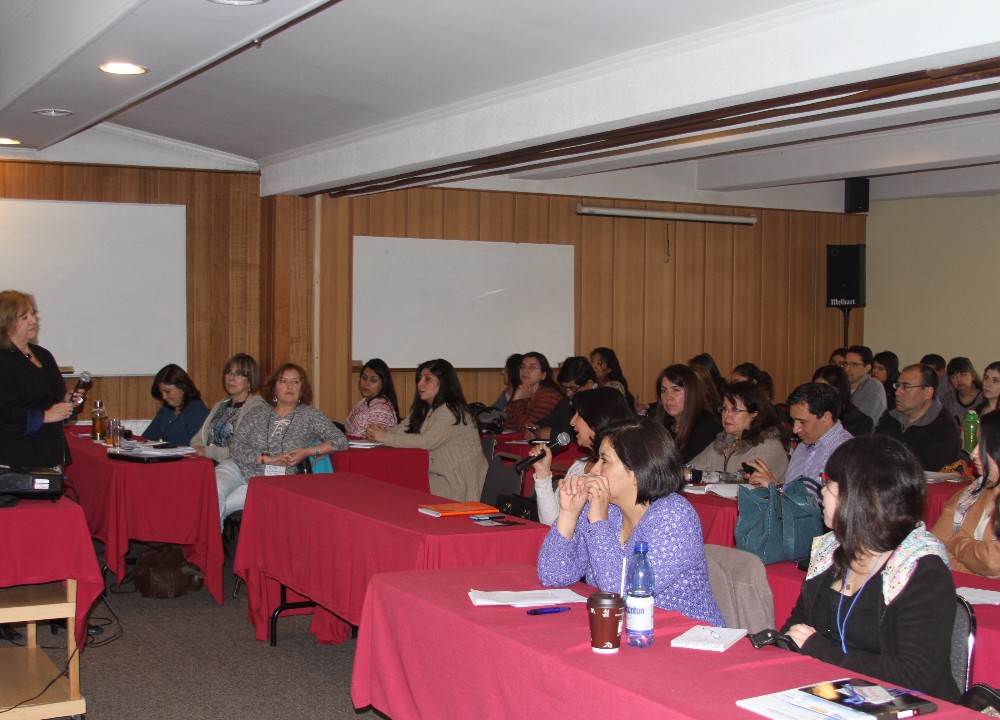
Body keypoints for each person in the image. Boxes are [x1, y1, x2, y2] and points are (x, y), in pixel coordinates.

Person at [781, 435, 960, 702]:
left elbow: (918, 675)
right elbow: (798, 625)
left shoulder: (920, 568)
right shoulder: (831, 549)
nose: (822, 491)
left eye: (829, 483)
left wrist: (824, 653)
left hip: (905, 703)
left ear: (860, 496)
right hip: (832, 694)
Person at [537, 418, 724, 626]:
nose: (593, 471)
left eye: (605, 461)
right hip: (630, 631)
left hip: (689, 638)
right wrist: (568, 514)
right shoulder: (609, 509)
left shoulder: (675, 516)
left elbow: (623, 591)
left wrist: (599, 521)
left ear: (637, 470)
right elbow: (552, 574)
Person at [228, 363, 347, 519]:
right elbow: (235, 446)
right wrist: (266, 458)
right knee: (213, 496)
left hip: (277, 483)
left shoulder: (310, 415)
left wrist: (307, 452)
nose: (290, 386)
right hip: (241, 472)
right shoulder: (257, 412)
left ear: (302, 388)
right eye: (284, 381)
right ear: (274, 387)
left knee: (223, 504)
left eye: (295, 382)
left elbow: (340, 441)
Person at [368, 359, 487, 502]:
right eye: (419, 379)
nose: (420, 384)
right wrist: (383, 432)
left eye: (427, 379)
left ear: (444, 382)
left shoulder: (451, 410)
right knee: (395, 485)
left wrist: (385, 437)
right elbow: (403, 429)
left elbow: (427, 441)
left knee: (402, 493)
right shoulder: (423, 408)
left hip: (457, 483)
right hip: (436, 476)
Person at [0, 290, 84, 468]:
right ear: (5, 324)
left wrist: (66, 403)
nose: (33, 320)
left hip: (49, 452)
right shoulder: (3, 360)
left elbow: (51, 402)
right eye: (24, 317)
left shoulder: (43, 355)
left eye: (33, 314)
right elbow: (4, 413)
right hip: (14, 456)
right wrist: (44, 416)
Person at [530, 386, 633, 524]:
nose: (572, 422)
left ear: (597, 420)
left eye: (579, 415)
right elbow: (552, 524)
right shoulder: (579, 467)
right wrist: (542, 475)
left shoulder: (620, 472)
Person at [190, 354, 268, 520]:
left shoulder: (257, 408)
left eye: (239, 374)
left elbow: (241, 452)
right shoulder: (222, 404)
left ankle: (210, 545)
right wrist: (201, 450)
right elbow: (198, 439)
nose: (231, 378)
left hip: (242, 468)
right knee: (199, 500)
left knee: (211, 497)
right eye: (229, 372)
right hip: (215, 466)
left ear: (250, 380)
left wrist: (208, 452)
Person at [746, 383, 852, 492]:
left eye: (802, 422)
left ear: (826, 417)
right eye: (793, 421)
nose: (795, 429)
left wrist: (776, 488)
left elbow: (823, 505)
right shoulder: (803, 446)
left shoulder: (847, 451)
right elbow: (791, 493)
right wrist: (769, 488)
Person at [933, 412, 1000, 578]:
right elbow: (934, 549)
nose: (973, 454)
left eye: (983, 446)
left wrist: (957, 542)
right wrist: (976, 568)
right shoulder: (971, 493)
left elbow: (993, 560)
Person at [688, 381, 789, 484]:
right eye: (724, 409)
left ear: (754, 414)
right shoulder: (722, 443)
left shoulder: (770, 446)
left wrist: (696, 476)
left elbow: (744, 479)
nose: (726, 415)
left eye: (735, 410)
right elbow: (690, 468)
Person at [875, 364, 960, 471]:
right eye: (897, 385)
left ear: (927, 392)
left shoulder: (945, 427)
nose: (897, 392)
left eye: (906, 387)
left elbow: (930, 471)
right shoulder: (890, 417)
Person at [651, 364, 722, 464]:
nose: (668, 397)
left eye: (676, 390)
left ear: (691, 392)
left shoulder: (707, 427)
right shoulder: (661, 425)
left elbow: (684, 465)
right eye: (663, 391)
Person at [524, 356, 598, 442]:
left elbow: (595, 434)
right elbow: (549, 420)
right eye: (565, 388)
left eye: (572, 388)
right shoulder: (568, 399)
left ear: (589, 384)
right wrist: (535, 429)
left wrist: (553, 434)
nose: (568, 393)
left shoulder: (605, 399)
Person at [143, 364, 210, 445]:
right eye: (161, 392)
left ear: (183, 387)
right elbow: (147, 438)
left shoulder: (196, 410)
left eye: (167, 391)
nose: (163, 397)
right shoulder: (166, 409)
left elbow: (199, 446)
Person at [504, 351, 563, 431]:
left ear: (543, 375)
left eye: (532, 367)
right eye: (522, 366)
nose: (525, 370)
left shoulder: (549, 396)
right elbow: (507, 427)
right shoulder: (522, 392)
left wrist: (516, 401)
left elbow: (530, 430)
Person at [811, 364, 873, 438]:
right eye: (816, 389)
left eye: (825, 389)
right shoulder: (811, 413)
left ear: (839, 390)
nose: (820, 394)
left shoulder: (861, 422)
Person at [344, 358, 399, 436]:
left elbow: (373, 438)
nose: (366, 384)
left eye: (373, 380)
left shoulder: (381, 407)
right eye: (364, 378)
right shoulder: (364, 401)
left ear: (383, 384)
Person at [839, 345, 885, 427]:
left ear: (867, 368)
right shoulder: (840, 385)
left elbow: (864, 424)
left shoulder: (873, 388)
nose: (847, 369)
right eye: (845, 364)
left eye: (854, 365)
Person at [941, 356, 984, 424]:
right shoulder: (949, 397)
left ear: (972, 376)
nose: (959, 380)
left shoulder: (983, 397)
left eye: (963, 375)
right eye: (953, 377)